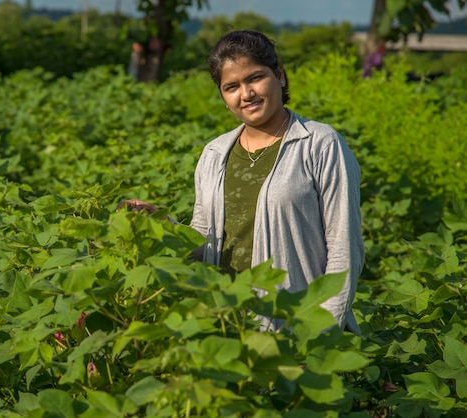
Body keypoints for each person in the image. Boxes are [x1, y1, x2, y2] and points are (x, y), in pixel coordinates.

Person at [121, 30, 364, 334]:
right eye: (231, 86)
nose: (246, 93)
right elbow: (204, 243)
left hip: (294, 327)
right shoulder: (214, 154)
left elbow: (345, 250)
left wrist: (318, 334)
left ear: (279, 75)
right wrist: (160, 223)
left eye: (255, 78)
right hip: (226, 325)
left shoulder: (320, 144)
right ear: (223, 97)